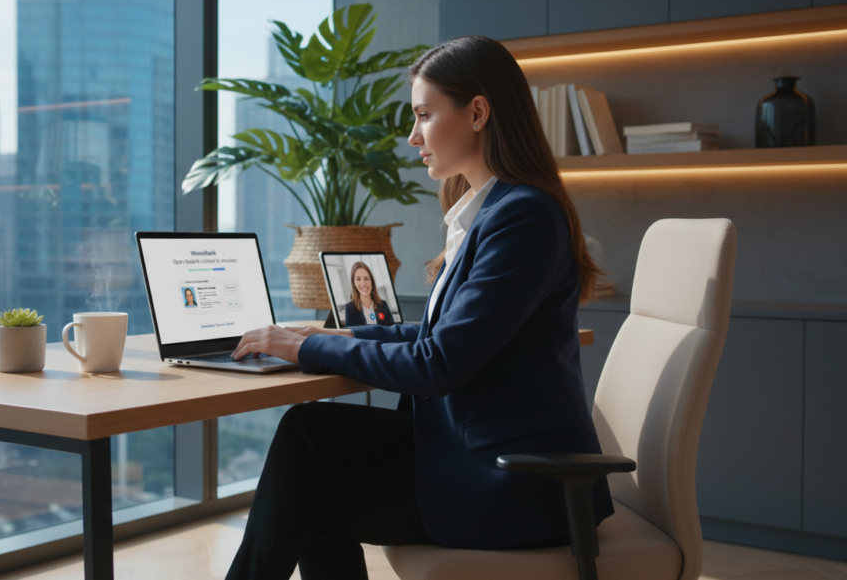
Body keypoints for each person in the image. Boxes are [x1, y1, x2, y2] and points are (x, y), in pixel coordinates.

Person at [225, 35, 613, 580]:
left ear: (477, 113)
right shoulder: (488, 212)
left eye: (424, 116)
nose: (413, 137)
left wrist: (313, 347)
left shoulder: (522, 217)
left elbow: (438, 364)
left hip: (520, 479)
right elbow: (435, 335)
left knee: (307, 502)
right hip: (473, 441)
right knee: (308, 431)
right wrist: (331, 337)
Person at [342, 261, 395, 327]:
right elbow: (350, 335)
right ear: (354, 283)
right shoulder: (350, 308)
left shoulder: (383, 304)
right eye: (358, 279)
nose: (363, 283)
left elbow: (392, 330)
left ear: (371, 281)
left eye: (366, 278)